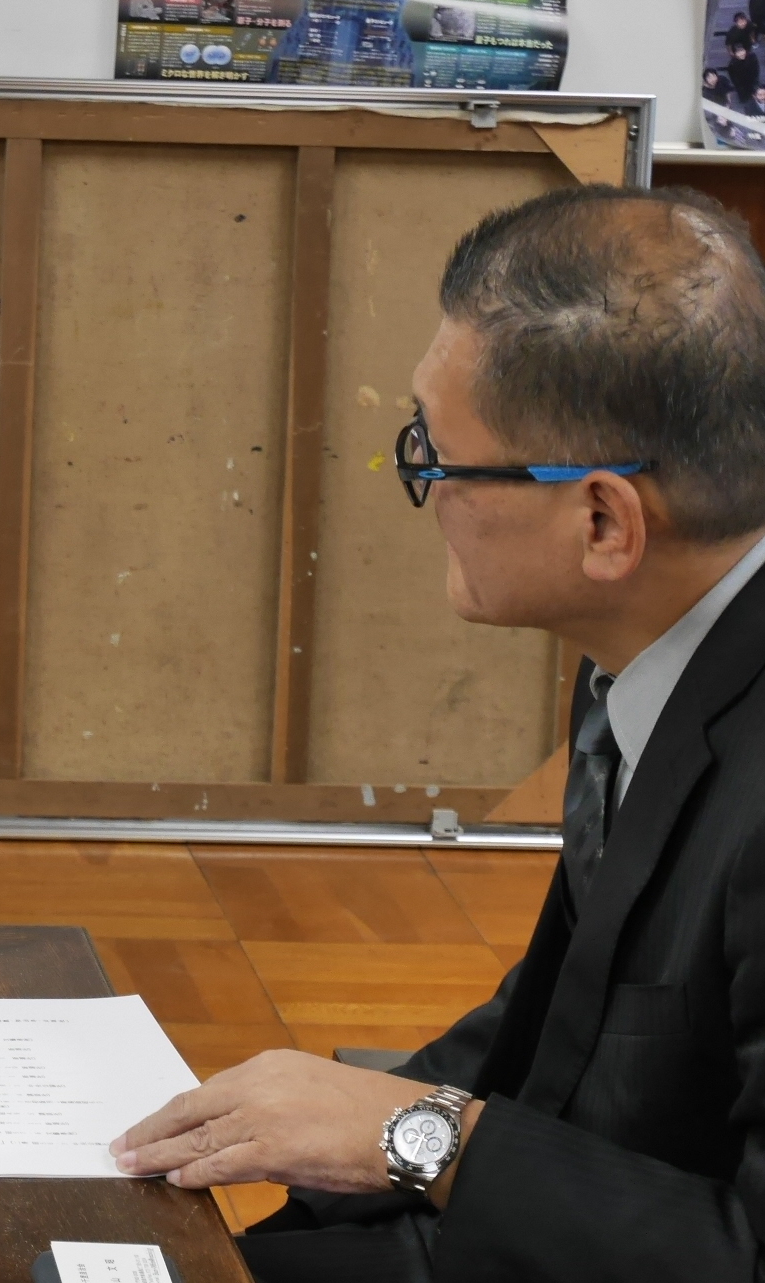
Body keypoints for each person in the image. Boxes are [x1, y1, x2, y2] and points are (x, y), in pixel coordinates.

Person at [111, 185, 765, 1280]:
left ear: (602, 519)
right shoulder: (645, 659)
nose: (420, 480)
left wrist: (409, 1135)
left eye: (437, 457)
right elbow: (567, 1011)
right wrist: (316, 1120)